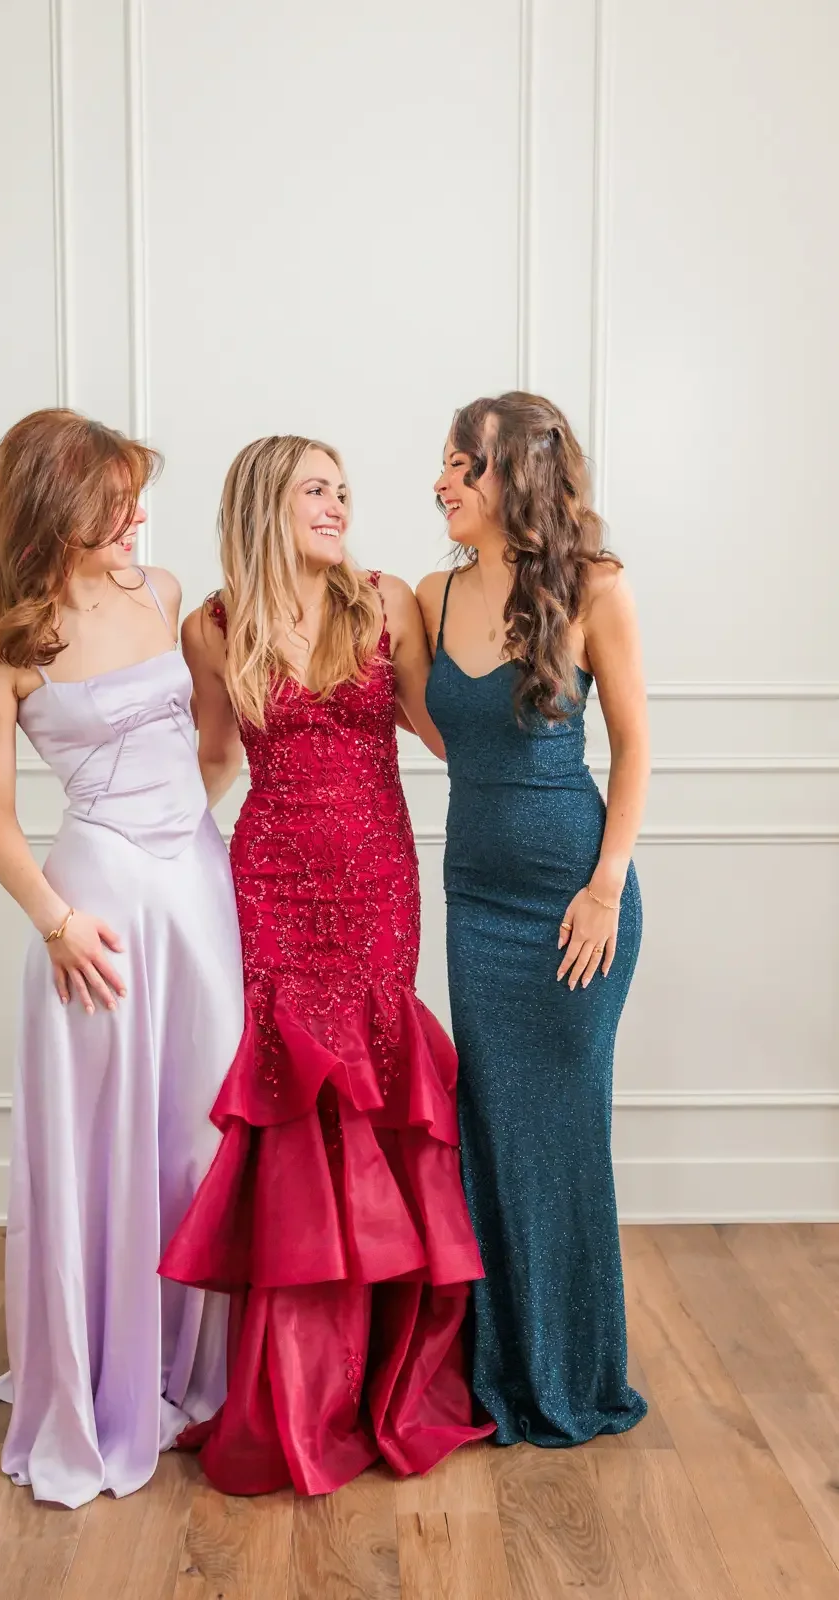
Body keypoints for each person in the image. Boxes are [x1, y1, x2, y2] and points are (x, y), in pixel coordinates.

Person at [159, 434, 492, 1497]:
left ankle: (385, 1381)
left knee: (379, 1101)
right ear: (267, 501)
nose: (339, 505)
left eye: (344, 491)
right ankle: (296, 1391)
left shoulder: (382, 601)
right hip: (268, 887)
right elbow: (212, 760)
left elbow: (446, 735)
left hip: (378, 889)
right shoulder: (210, 627)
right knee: (293, 1112)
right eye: (317, 489)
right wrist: (144, 859)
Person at [0, 408, 242, 1507]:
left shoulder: (164, 594)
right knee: (103, 1149)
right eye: (113, 500)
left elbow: (212, 746)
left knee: (201, 1131)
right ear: (57, 509)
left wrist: (181, 841)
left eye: (137, 497)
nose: (135, 518)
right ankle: (99, 1377)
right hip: (93, 912)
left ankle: (192, 1370)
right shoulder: (1, 636)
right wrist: (58, 919)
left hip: (196, 891)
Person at [418, 391, 649, 1446]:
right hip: (474, 905)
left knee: (560, 1137)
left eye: (460, 465)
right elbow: (451, 742)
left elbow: (635, 749)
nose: (441, 483)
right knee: (492, 1135)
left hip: (573, 908)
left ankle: (576, 1375)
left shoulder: (595, 589)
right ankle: (502, 1372)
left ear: (510, 471)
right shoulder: (429, 593)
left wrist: (602, 888)